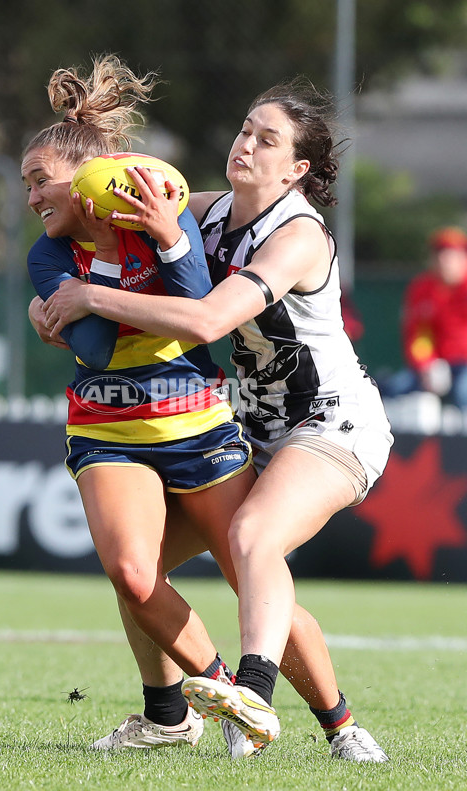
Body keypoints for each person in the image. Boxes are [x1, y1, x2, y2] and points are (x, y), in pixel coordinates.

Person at [40, 75, 393, 757]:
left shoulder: (298, 235)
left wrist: (90, 297)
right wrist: (66, 197)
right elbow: (110, 205)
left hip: (330, 423)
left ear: (296, 170)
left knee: (253, 538)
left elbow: (206, 320)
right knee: (138, 573)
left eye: (268, 139)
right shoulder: (205, 210)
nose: (246, 144)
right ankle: (172, 716)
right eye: (244, 129)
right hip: (254, 428)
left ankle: (252, 696)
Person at [381, 226, 467, 408]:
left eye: (452, 254)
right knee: (395, 388)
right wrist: (427, 364)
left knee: (463, 391)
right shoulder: (422, 288)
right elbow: (419, 335)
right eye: (440, 254)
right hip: (437, 366)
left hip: (464, 365)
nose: (445, 260)